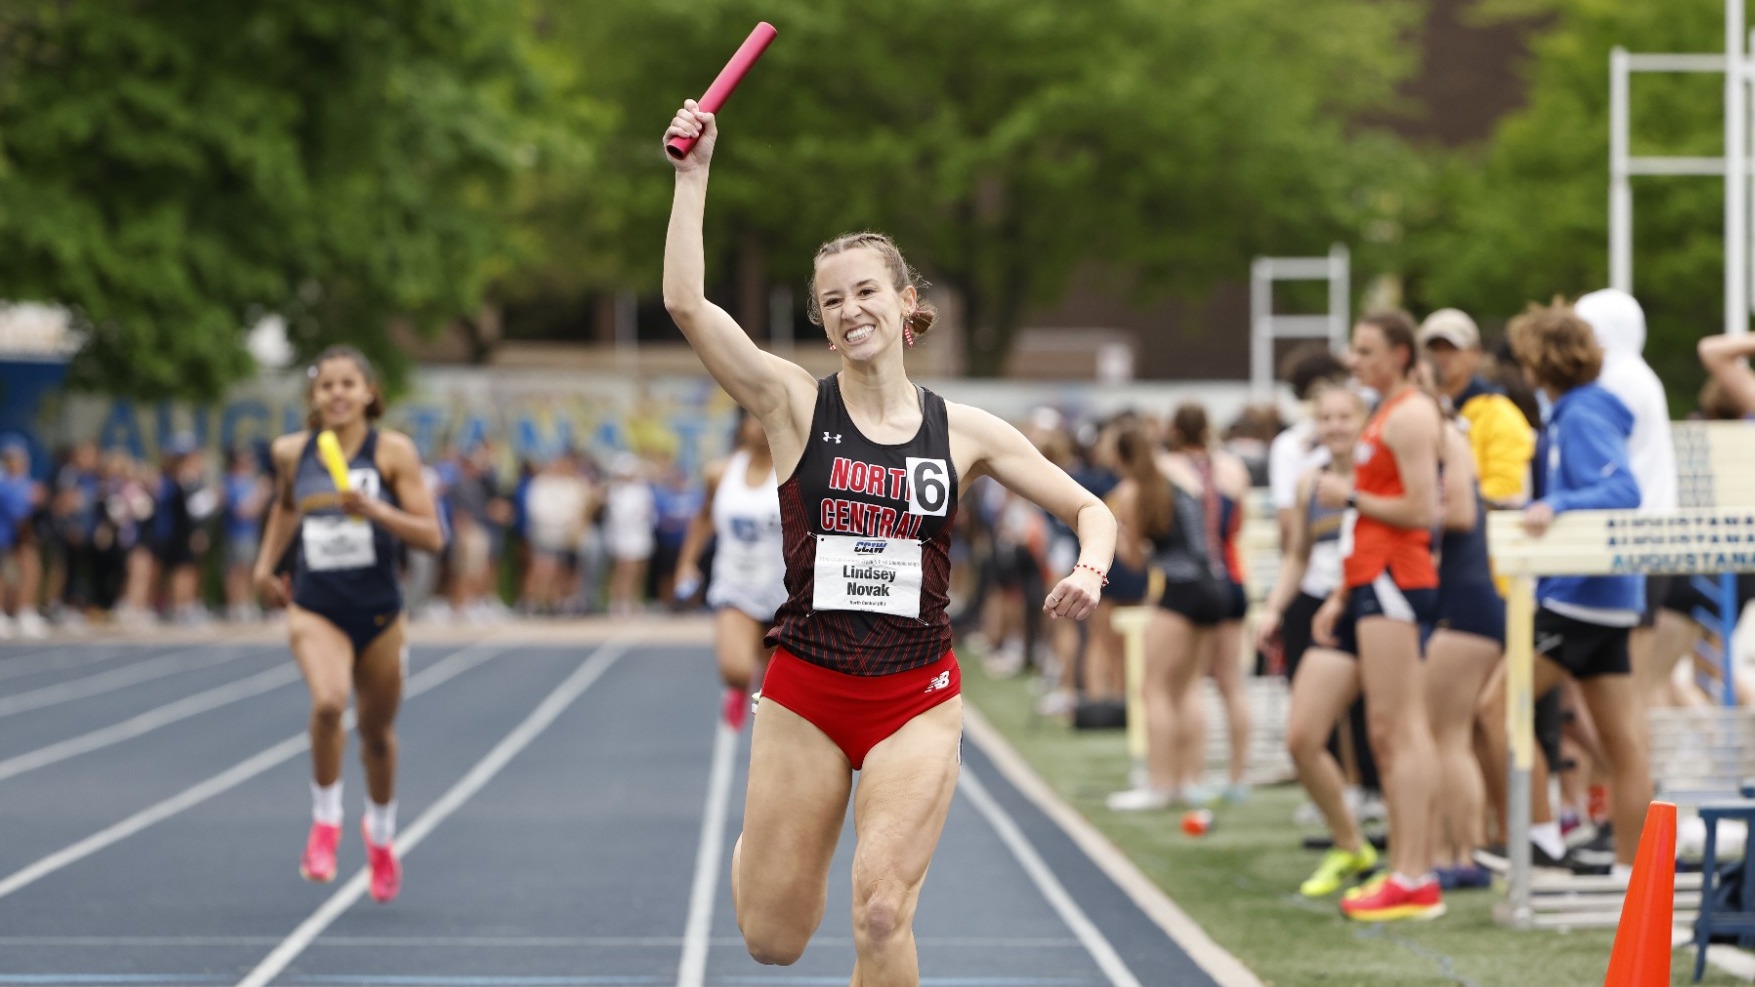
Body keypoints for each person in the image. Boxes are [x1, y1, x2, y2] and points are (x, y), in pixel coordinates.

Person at [663, 99, 1116, 981]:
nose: (849, 309)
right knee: (771, 937)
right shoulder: (794, 405)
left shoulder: (966, 431)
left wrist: (1090, 568)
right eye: (831, 300)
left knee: (879, 908)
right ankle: (774, 835)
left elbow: (1089, 508)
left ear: (906, 304)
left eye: (866, 290)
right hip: (806, 690)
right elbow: (685, 303)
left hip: (917, 692)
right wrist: (693, 176)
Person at [252, 345, 444, 904]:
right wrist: (267, 566)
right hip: (315, 605)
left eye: (347, 384)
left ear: (368, 393)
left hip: (380, 611)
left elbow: (433, 537)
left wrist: (376, 511)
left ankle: (380, 838)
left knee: (377, 736)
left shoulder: (394, 453)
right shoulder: (292, 452)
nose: (336, 394)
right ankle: (326, 821)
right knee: (329, 703)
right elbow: (286, 508)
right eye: (325, 385)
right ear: (314, 397)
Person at [1504, 299, 1650, 881]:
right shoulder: (1580, 411)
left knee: (1499, 712)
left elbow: (1622, 490)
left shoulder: (1583, 414)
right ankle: (1629, 869)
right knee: (1621, 743)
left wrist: (1554, 504)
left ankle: (1541, 838)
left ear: (1539, 363)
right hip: (1607, 597)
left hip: (1578, 597)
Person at [1311, 311, 1445, 921]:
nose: (1355, 360)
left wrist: (1350, 497)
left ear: (1397, 353)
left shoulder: (1412, 413)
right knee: (1387, 733)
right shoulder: (1387, 411)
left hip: (1396, 576)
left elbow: (1423, 508)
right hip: (1372, 577)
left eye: (1366, 350)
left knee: (1401, 730)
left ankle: (1416, 873)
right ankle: (1406, 870)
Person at [1259, 383, 1379, 896]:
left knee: (1391, 737)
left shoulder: (1383, 473)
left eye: (1343, 416)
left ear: (1363, 420)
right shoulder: (1310, 482)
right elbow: (1297, 556)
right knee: (1303, 737)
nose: (1334, 426)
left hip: (1379, 604)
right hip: (1320, 609)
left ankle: (1427, 856)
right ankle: (1350, 843)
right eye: (1324, 417)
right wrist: (1273, 607)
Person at [675, 409, 787, 730]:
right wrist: (687, 563)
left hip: (782, 589)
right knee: (735, 668)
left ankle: (759, 711)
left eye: (768, 419)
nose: (761, 427)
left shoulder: (793, 472)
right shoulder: (720, 472)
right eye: (754, 418)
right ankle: (737, 686)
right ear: (741, 426)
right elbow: (703, 518)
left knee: (774, 688)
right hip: (734, 581)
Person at [1418, 308, 1535, 508]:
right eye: (1433, 348)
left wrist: (1442, 506)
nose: (1442, 356)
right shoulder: (1413, 410)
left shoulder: (1499, 412)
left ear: (1475, 354)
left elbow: (1506, 488)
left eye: (1452, 347)